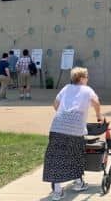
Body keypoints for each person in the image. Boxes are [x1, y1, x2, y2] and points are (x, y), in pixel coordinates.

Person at [43, 67, 102, 200]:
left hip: (57, 125)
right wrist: (99, 116)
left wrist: (64, 115)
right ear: (81, 78)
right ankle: (78, 183)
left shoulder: (66, 88)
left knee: (57, 157)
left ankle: (57, 192)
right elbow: (96, 102)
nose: (87, 79)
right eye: (86, 77)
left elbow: (55, 104)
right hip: (75, 128)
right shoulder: (87, 89)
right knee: (75, 155)